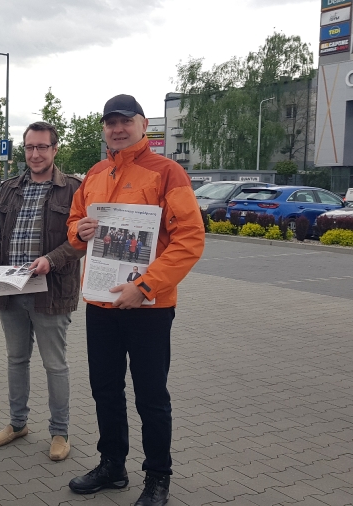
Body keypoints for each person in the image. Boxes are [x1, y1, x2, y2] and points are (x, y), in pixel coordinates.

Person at [65, 95, 205, 506]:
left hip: (149, 307)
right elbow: (74, 224)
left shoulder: (168, 172)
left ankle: (158, 477)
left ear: (144, 125)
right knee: (105, 389)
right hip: (100, 303)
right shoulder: (95, 173)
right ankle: (112, 465)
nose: (118, 129)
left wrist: (144, 287)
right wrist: (79, 231)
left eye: (126, 121)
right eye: (111, 123)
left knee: (151, 396)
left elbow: (190, 238)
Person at [0, 121, 84, 461]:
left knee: (54, 365)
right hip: (10, 286)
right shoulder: (9, 188)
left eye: (42, 147)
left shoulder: (73, 189)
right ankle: (17, 423)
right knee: (16, 360)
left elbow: (80, 241)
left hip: (51, 291)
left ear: (54, 149)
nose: (35, 154)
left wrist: (51, 260)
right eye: (30, 147)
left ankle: (60, 432)